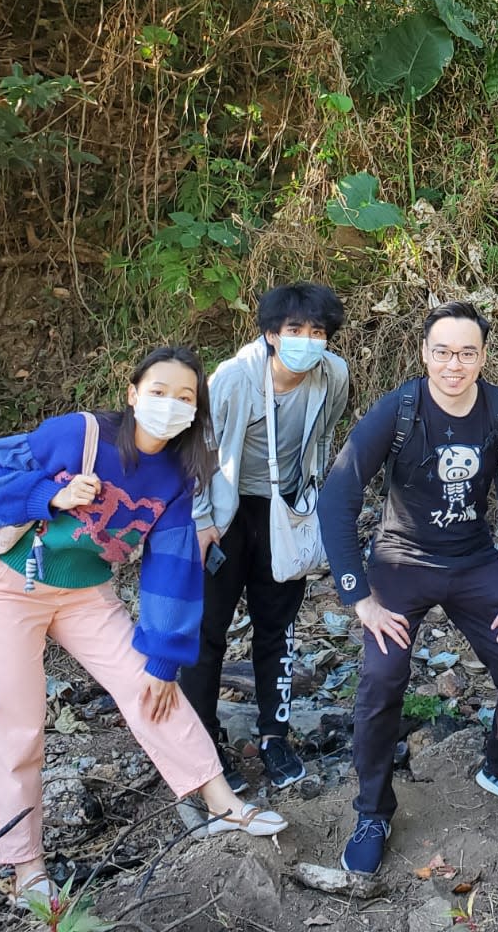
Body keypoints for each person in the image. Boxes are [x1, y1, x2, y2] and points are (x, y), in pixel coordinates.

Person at [0, 347, 286, 909]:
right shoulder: (80, 434)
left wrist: (164, 658)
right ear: (133, 392)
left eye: (185, 397)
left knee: (150, 687)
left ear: (195, 410)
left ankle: (221, 805)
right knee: (14, 725)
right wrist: (52, 495)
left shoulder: (177, 477)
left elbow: (173, 569)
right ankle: (25, 867)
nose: (170, 405)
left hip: (86, 594)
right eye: (158, 391)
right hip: (10, 589)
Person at [320, 301, 498, 875]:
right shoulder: (400, 409)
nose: (454, 364)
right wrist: (359, 597)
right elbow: (339, 490)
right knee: (381, 677)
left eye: (467, 353)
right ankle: (372, 809)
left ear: (484, 357)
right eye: (442, 352)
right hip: (402, 562)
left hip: (474, 561)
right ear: (424, 353)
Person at [179, 283, 350, 792]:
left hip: (286, 512)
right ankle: (203, 741)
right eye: (295, 330)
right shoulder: (233, 380)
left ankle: (275, 736)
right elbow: (197, 448)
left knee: (277, 626)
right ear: (272, 335)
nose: (307, 341)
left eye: (317, 332)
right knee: (208, 631)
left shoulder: (333, 374)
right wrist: (202, 518)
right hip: (227, 512)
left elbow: (325, 433)